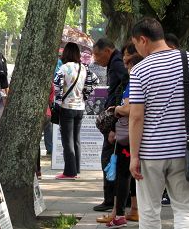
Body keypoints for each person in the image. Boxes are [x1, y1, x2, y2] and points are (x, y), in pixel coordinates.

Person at [128, 18, 189, 229]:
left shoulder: (140, 70)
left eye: (135, 44)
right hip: (186, 150)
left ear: (143, 39)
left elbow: (136, 116)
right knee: (185, 209)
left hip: (150, 153)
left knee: (149, 211)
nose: (136, 49)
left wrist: (134, 155)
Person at [100, 53, 142, 227]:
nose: (126, 68)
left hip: (128, 138)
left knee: (123, 175)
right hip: (135, 136)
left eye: (128, 64)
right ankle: (128, 212)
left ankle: (119, 215)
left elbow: (131, 109)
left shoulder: (135, 83)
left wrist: (117, 109)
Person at [54, 42, 99, 179]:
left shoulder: (64, 68)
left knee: (67, 140)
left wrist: (58, 100)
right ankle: (76, 169)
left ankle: (69, 172)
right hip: (80, 107)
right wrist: (85, 95)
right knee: (76, 139)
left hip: (67, 107)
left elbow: (57, 85)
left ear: (66, 53)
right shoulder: (84, 68)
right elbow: (95, 81)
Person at [92, 38, 128, 212]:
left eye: (98, 55)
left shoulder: (117, 65)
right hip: (119, 118)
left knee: (109, 159)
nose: (96, 60)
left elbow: (119, 92)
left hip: (117, 120)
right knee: (117, 161)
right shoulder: (115, 63)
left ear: (107, 51)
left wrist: (113, 126)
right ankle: (118, 200)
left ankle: (110, 200)